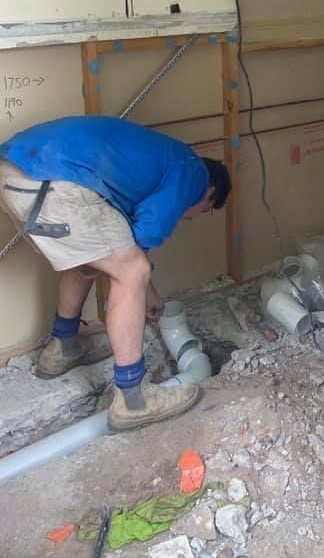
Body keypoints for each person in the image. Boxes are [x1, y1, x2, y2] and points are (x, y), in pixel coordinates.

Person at [0, 116, 231, 432]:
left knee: (89, 260)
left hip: (16, 171)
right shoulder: (193, 170)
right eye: (203, 210)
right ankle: (133, 399)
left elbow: (119, 246)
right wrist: (144, 285)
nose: (191, 217)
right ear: (210, 191)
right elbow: (148, 230)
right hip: (53, 178)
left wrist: (145, 286)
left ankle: (61, 348)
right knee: (132, 270)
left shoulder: (158, 161)